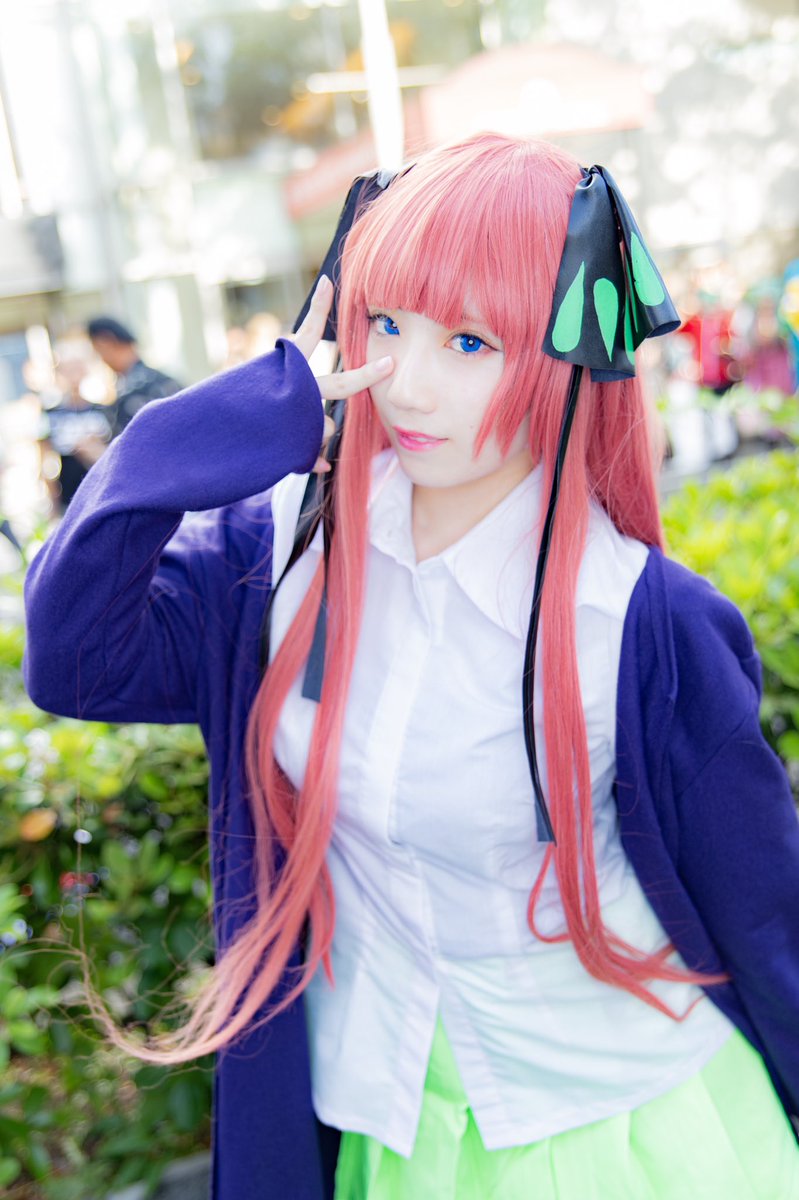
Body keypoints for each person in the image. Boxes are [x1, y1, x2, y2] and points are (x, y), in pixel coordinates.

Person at [24, 135, 799, 1200]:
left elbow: (765, 918)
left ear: (563, 358)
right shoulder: (281, 554)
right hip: (395, 1134)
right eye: (385, 323)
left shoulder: (637, 621)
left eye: (469, 340)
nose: (407, 383)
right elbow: (74, 661)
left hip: (630, 1132)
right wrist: (209, 430)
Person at [37, 356, 113, 513]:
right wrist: (52, 498)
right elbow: (45, 458)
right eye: (68, 371)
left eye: (77, 370)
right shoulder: (51, 414)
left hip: (100, 490)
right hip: (69, 492)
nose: (73, 377)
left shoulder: (101, 411)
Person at [86, 316, 182, 437]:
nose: (102, 360)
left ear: (106, 342)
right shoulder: (163, 379)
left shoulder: (132, 392)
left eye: (98, 351)